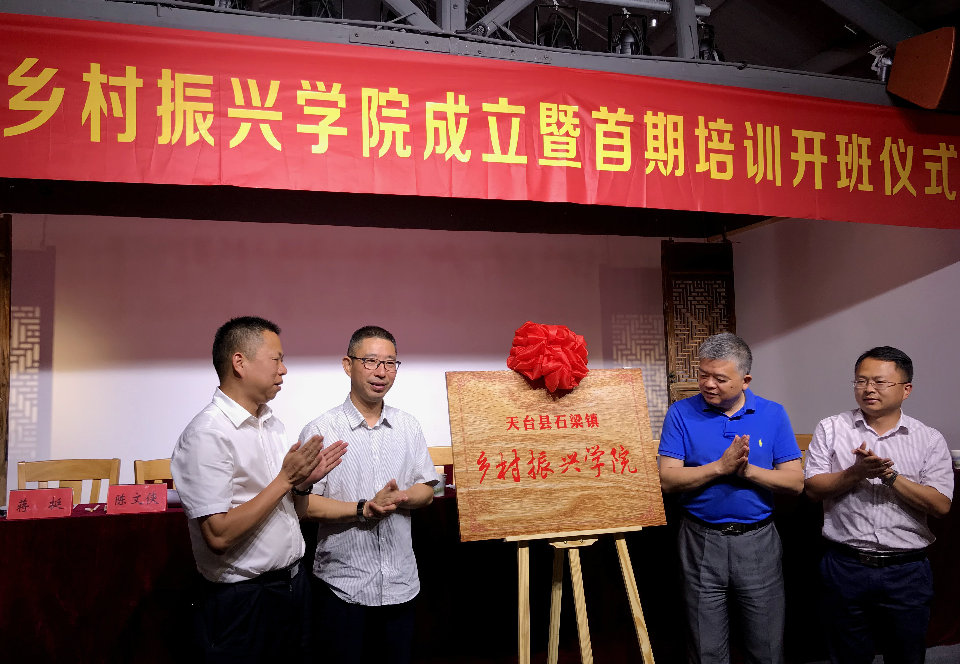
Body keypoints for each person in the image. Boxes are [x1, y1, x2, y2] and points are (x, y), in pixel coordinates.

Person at [171, 316, 347, 663]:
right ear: (240, 362)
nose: (284, 370)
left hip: (293, 586)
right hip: (243, 600)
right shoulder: (208, 434)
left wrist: (302, 484)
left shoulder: (272, 424)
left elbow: (295, 513)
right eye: (276, 359)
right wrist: (285, 480)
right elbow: (218, 535)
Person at [658, 332, 803, 664]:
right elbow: (667, 479)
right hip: (700, 539)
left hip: (758, 541)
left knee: (766, 646)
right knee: (705, 647)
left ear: (745, 380)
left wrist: (747, 472)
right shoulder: (680, 413)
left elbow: (795, 482)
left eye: (720, 378)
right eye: (703, 375)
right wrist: (720, 468)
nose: (708, 384)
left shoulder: (772, 414)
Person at [804, 346, 953, 664]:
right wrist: (856, 473)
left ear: (906, 389)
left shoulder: (929, 439)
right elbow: (813, 489)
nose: (868, 389)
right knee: (847, 656)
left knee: (907, 655)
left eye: (880, 382)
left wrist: (890, 476)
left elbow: (941, 505)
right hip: (845, 565)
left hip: (907, 570)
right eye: (861, 381)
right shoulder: (831, 428)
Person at [299, 325, 439, 664]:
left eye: (390, 363)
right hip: (342, 588)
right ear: (348, 365)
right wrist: (364, 508)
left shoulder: (408, 426)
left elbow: (427, 490)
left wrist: (401, 498)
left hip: (401, 585)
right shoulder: (321, 430)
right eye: (371, 361)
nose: (381, 372)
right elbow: (304, 505)